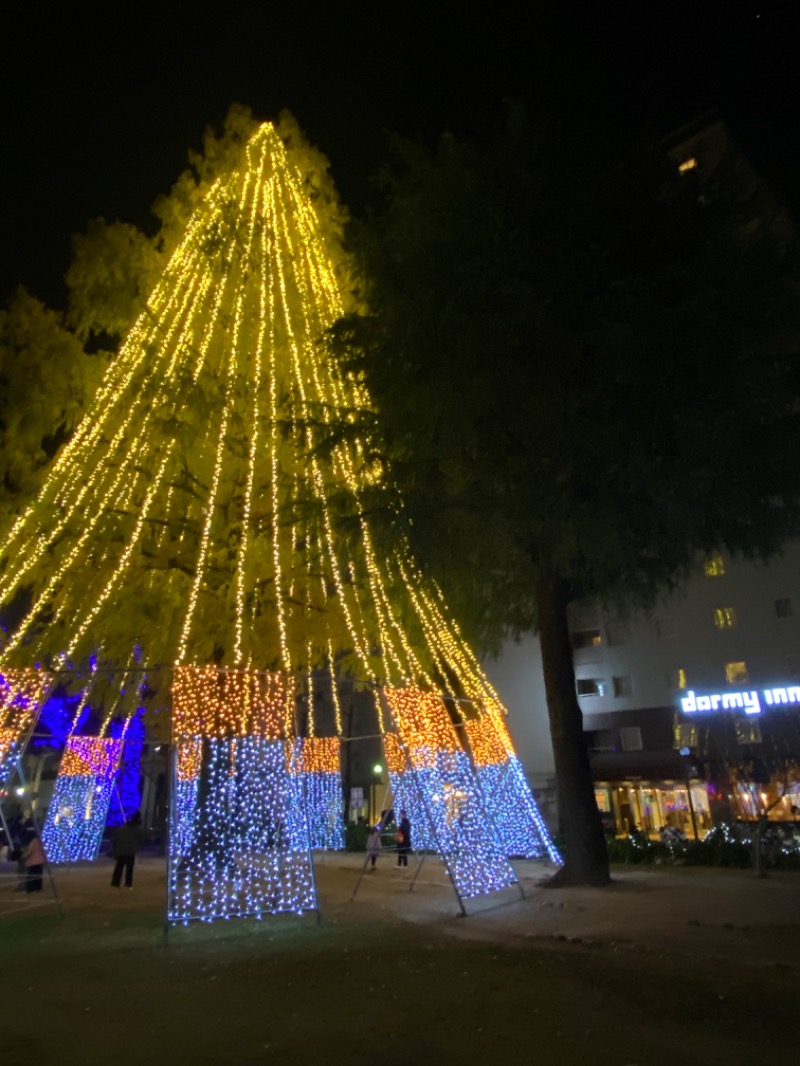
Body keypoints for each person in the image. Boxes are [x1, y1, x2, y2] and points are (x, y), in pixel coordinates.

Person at [110, 811, 146, 889]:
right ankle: (128, 884)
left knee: (119, 867)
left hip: (121, 850)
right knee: (129, 869)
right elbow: (141, 838)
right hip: (130, 851)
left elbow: (116, 839)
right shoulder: (136, 829)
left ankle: (115, 883)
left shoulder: (123, 828)